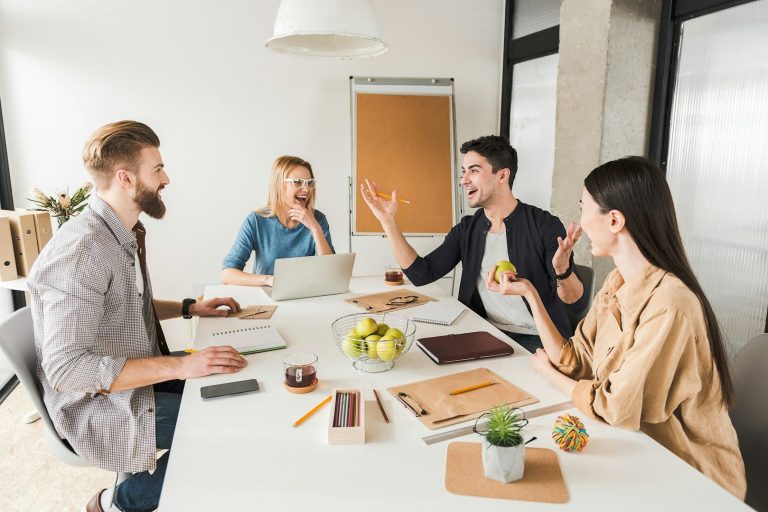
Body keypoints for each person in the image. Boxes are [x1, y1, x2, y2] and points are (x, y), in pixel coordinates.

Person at [486, 156, 746, 498]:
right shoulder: (618, 281)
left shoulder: (671, 304)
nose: (578, 221)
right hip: (637, 449)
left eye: (583, 208)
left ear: (614, 220)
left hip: (691, 476)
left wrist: (549, 375)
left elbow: (614, 407)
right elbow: (576, 360)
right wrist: (530, 294)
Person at [28, 121, 248, 512]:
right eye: (158, 169)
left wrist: (187, 308)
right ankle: (117, 504)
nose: (167, 179)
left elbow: (125, 307)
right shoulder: (83, 253)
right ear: (126, 177)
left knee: (234, 388)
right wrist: (181, 367)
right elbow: (67, 370)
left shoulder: (120, 233)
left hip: (130, 380)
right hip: (97, 406)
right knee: (217, 426)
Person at [360, 135, 586, 352]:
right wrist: (388, 221)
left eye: (474, 171)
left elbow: (575, 301)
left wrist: (562, 271)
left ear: (502, 175)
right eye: (463, 172)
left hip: (539, 339)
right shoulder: (467, 228)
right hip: (485, 332)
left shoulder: (544, 225)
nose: (463, 180)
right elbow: (421, 274)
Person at [221, 155, 334, 287]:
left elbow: (330, 273)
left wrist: (315, 228)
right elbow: (228, 273)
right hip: (267, 297)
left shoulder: (318, 220)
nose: (306, 189)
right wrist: (268, 280)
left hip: (306, 296)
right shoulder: (256, 221)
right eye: (297, 182)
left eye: (309, 182)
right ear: (279, 185)